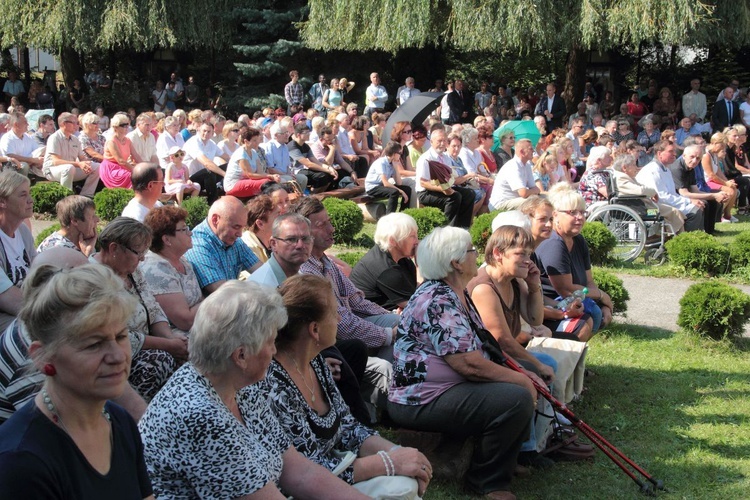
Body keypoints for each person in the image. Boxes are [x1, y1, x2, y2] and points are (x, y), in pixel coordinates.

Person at [137, 280, 368, 499]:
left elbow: (297, 471)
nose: (274, 351)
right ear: (241, 356)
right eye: (270, 342)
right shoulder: (199, 415)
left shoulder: (240, 386)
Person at [388, 226, 535, 500]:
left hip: (440, 391)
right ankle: (487, 483)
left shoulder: (455, 292)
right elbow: (468, 364)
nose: (477, 254)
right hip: (418, 400)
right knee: (515, 397)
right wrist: (520, 379)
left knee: (522, 383)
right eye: (472, 250)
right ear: (455, 262)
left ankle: (506, 461)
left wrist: (522, 373)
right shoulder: (438, 300)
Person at [258, 274, 431, 496]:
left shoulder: (317, 362)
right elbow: (308, 471)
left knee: (406, 479)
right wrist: (390, 463)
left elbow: (348, 427)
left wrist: (399, 452)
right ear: (314, 330)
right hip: (307, 489)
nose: (340, 320)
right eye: (334, 313)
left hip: (335, 473)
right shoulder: (274, 385)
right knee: (402, 485)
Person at [0, 263, 153, 498]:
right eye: (93, 344)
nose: (118, 356)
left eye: (121, 336)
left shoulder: (119, 421)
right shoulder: (22, 460)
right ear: (43, 356)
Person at [294, 197, 398, 420]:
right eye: (321, 225)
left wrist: (389, 316)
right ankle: (378, 405)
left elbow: (357, 300)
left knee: (399, 324)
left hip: (348, 332)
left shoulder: (326, 261)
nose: (331, 229)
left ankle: (387, 397)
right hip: (333, 343)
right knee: (389, 343)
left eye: (329, 222)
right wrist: (388, 335)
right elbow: (341, 325)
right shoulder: (306, 271)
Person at [91, 217, 185, 402]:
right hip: (116, 355)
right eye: (138, 252)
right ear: (114, 248)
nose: (142, 258)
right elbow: (117, 336)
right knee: (159, 362)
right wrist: (167, 345)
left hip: (151, 343)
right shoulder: (94, 279)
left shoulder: (131, 270)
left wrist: (170, 338)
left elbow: (152, 307)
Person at [535, 183, 614, 333]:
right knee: (593, 314)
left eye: (582, 212)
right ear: (555, 215)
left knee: (596, 311)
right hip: (552, 307)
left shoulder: (578, 240)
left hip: (576, 300)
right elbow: (566, 289)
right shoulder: (554, 243)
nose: (580, 218)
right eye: (572, 212)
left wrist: (602, 301)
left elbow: (589, 282)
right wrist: (603, 296)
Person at [519, 197, 594, 341]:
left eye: (550, 219)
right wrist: (562, 313)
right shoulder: (521, 256)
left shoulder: (532, 253)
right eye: (542, 219)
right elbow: (523, 306)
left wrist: (563, 306)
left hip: (535, 316)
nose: (548, 224)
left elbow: (537, 295)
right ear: (527, 220)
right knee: (582, 325)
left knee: (586, 317)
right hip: (524, 326)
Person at [141, 206, 203, 337]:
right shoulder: (156, 269)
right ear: (167, 240)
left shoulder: (182, 260)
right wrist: (218, 299)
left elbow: (199, 300)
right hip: (177, 339)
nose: (190, 233)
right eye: (184, 229)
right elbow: (185, 320)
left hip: (201, 324)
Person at [185, 196, 261, 294]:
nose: (240, 234)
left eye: (242, 227)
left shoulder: (233, 240)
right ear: (215, 220)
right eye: (236, 227)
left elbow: (262, 271)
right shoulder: (198, 246)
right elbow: (224, 294)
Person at [350, 213, 418, 311]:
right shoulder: (386, 269)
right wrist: (420, 266)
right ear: (392, 241)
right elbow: (418, 306)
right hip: (368, 318)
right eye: (412, 236)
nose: (417, 241)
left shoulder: (400, 257)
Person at [636, 140, 705, 232]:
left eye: (674, 151)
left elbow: (672, 194)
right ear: (660, 153)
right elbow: (662, 197)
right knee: (694, 211)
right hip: (650, 209)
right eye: (670, 151)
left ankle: (695, 238)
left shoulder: (666, 169)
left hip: (665, 204)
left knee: (697, 207)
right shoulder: (653, 170)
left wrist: (690, 201)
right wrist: (688, 201)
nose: (675, 154)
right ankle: (685, 239)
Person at [415, 128, 475, 227]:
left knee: (469, 194)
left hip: (443, 188)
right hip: (426, 192)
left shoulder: (446, 158)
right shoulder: (426, 158)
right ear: (431, 142)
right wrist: (444, 189)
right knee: (454, 197)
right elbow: (423, 183)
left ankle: (463, 228)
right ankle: (446, 228)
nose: (442, 144)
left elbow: (449, 178)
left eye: (444, 141)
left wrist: (464, 180)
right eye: (439, 141)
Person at [611, 155, 685, 234]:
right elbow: (641, 190)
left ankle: (672, 236)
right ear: (624, 168)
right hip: (643, 211)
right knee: (674, 212)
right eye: (634, 165)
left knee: (674, 212)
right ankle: (678, 238)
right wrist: (654, 192)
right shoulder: (621, 178)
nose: (636, 167)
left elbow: (643, 187)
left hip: (642, 208)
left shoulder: (626, 177)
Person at [670, 143, 725, 234]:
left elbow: (695, 189)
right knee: (705, 202)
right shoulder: (677, 168)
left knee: (712, 201)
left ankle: (709, 230)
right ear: (684, 156)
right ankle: (702, 231)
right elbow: (684, 193)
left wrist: (715, 196)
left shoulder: (690, 168)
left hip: (684, 195)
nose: (695, 160)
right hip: (676, 198)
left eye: (698, 158)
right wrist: (713, 195)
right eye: (692, 157)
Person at [42, 112, 100, 197]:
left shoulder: (75, 139)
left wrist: (87, 163)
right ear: (64, 124)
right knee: (69, 168)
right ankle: (67, 198)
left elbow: (82, 158)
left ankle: (87, 196)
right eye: (74, 123)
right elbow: (56, 162)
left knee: (97, 166)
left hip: (71, 169)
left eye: (77, 123)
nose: (76, 125)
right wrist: (78, 164)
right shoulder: (54, 138)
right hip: (52, 170)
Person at [224, 127, 281, 198]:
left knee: (270, 181)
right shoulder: (241, 154)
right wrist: (270, 176)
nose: (257, 142)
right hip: (233, 184)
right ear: (246, 141)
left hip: (246, 181)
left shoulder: (253, 152)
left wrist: (273, 176)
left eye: (257, 140)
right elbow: (250, 175)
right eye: (254, 140)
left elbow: (260, 172)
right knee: (266, 183)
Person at [489, 138, 541, 211]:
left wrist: (533, 192)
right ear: (522, 152)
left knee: (547, 198)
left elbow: (536, 188)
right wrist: (533, 192)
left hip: (515, 200)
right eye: (530, 149)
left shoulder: (527, 165)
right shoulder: (513, 166)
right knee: (534, 203)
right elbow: (523, 193)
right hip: (501, 204)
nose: (533, 151)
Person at [701, 133, 739, 223]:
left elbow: (718, 171)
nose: (722, 148)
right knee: (729, 191)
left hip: (712, 180)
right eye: (721, 146)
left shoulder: (714, 154)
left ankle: (727, 214)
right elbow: (711, 175)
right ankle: (719, 215)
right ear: (714, 143)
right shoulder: (706, 155)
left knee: (733, 188)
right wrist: (726, 184)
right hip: (706, 182)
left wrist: (728, 182)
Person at [364, 141, 410, 214]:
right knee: (394, 192)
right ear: (394, 154)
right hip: (372, 188)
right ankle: (389, 217)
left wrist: (395, 168)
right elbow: (386, 183)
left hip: (381, 186)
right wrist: (401, 191)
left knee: (407, 189)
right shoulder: (381, 162)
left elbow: (399, 183)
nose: (400, 156)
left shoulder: (392, 163)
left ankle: (403, 213)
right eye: (400, 153)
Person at [100, 113, 141, 189]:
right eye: (123, 125)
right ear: (116, 127)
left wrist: (145, 167)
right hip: (111, 169)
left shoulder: (127, 140)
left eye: (127, 125)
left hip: (122, 167)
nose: (127, 128)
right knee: (133, 176)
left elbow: (136, 155)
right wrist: (136, 170)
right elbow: (120, 160)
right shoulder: (111, 141)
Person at [242, 195, 280, 265]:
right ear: (260, 224)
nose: (283, 220)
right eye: (278, 216)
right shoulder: (247, 248)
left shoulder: (275, 241)